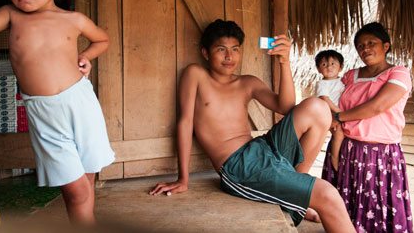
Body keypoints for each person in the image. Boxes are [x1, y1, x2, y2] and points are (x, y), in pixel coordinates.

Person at [150, 19, 355, 233]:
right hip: (240, 166)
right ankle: (300, 195)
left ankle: (295, 190)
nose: (229, 56)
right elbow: (185, 123)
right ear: (205, 53)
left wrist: (285, 62)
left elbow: (285, 107)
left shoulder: (247, 82)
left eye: (235, 49)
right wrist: (183, 178)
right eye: (221, 49)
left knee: (318, 107)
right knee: (328, 195)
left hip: (264, 147)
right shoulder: (196, 75)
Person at [0, 0, 115, 223]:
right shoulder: (11, 15)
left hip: (80, 103)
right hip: (44, 111)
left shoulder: (73, 19)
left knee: (87, 179)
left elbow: (102, 40)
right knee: (75, 189)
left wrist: (84, 57)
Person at [322, 22, 413, 233]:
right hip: (347, 147)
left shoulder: (398, 73)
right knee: (346, 205)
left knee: (377, 207)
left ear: (386, 46)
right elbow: (331, 99)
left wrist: (340, 116)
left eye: (371, 43)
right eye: (360, 45)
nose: (365, 49)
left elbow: (377, 107)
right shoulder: (350, 76)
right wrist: (334, 120)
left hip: (380, 154)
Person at [315, 50, 345, 171]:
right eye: (324, 64)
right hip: (331, 113)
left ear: (341, 67)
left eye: (333, 64)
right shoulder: (322, 83)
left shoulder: (343, 81)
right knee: (338, 134)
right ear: (318, 69)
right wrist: (339, 112)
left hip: (341, 113)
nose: (329, 67)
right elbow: (324, 98)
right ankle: (334, 157)